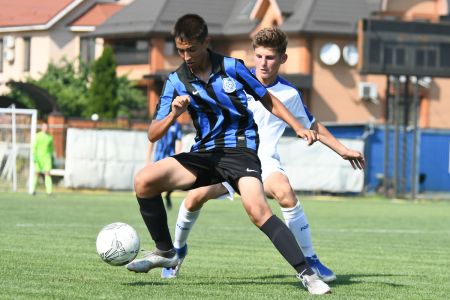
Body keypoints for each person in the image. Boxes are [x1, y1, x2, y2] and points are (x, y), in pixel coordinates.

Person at [127, 14, 331, 295]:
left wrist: (297, 126)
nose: (186, 56)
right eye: (181, 50)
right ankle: (165, 251)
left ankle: (308, 274)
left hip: (240, 151)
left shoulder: (233, 68)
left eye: (192, 49)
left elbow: (267, 98)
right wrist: (174, 113)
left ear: (206, 43)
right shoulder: (176, 81)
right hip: (205, 154)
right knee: (144, 181)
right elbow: (153, 133)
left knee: (258, 211)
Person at [161, 27, 366, 281]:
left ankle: (311, 260)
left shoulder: (289, 93)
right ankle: (176, 254)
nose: (263, 63)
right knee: (194, 199)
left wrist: (343, 150)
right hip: (226, 156)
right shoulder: (233, 79)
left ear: (283, 59)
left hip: (263, 161)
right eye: (258, 56)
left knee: (285, 193)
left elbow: (313, 125)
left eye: (270, 57)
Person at [147, 121, 183, 209]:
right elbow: (152, 140)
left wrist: (178, 155)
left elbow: (179, 141)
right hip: (159, 155)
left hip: (170, 155)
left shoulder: (177, 125)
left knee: (173, 180)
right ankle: (155, 201)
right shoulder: (160, 122)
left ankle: (168, 195)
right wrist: (148, 158)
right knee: (155, 179)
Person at [32, 122, 54, 195]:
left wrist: (52, 157)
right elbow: (34, 147)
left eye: (46, 127)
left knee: (47, 173)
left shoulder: (50, 137)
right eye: (44, 127)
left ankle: (49, 191)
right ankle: (33, 190)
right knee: (37, 173)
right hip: (38, 157)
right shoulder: (37, 136)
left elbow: (51, 148)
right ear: (42, 128)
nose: (45, 128)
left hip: (47, 158)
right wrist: (34, 156)